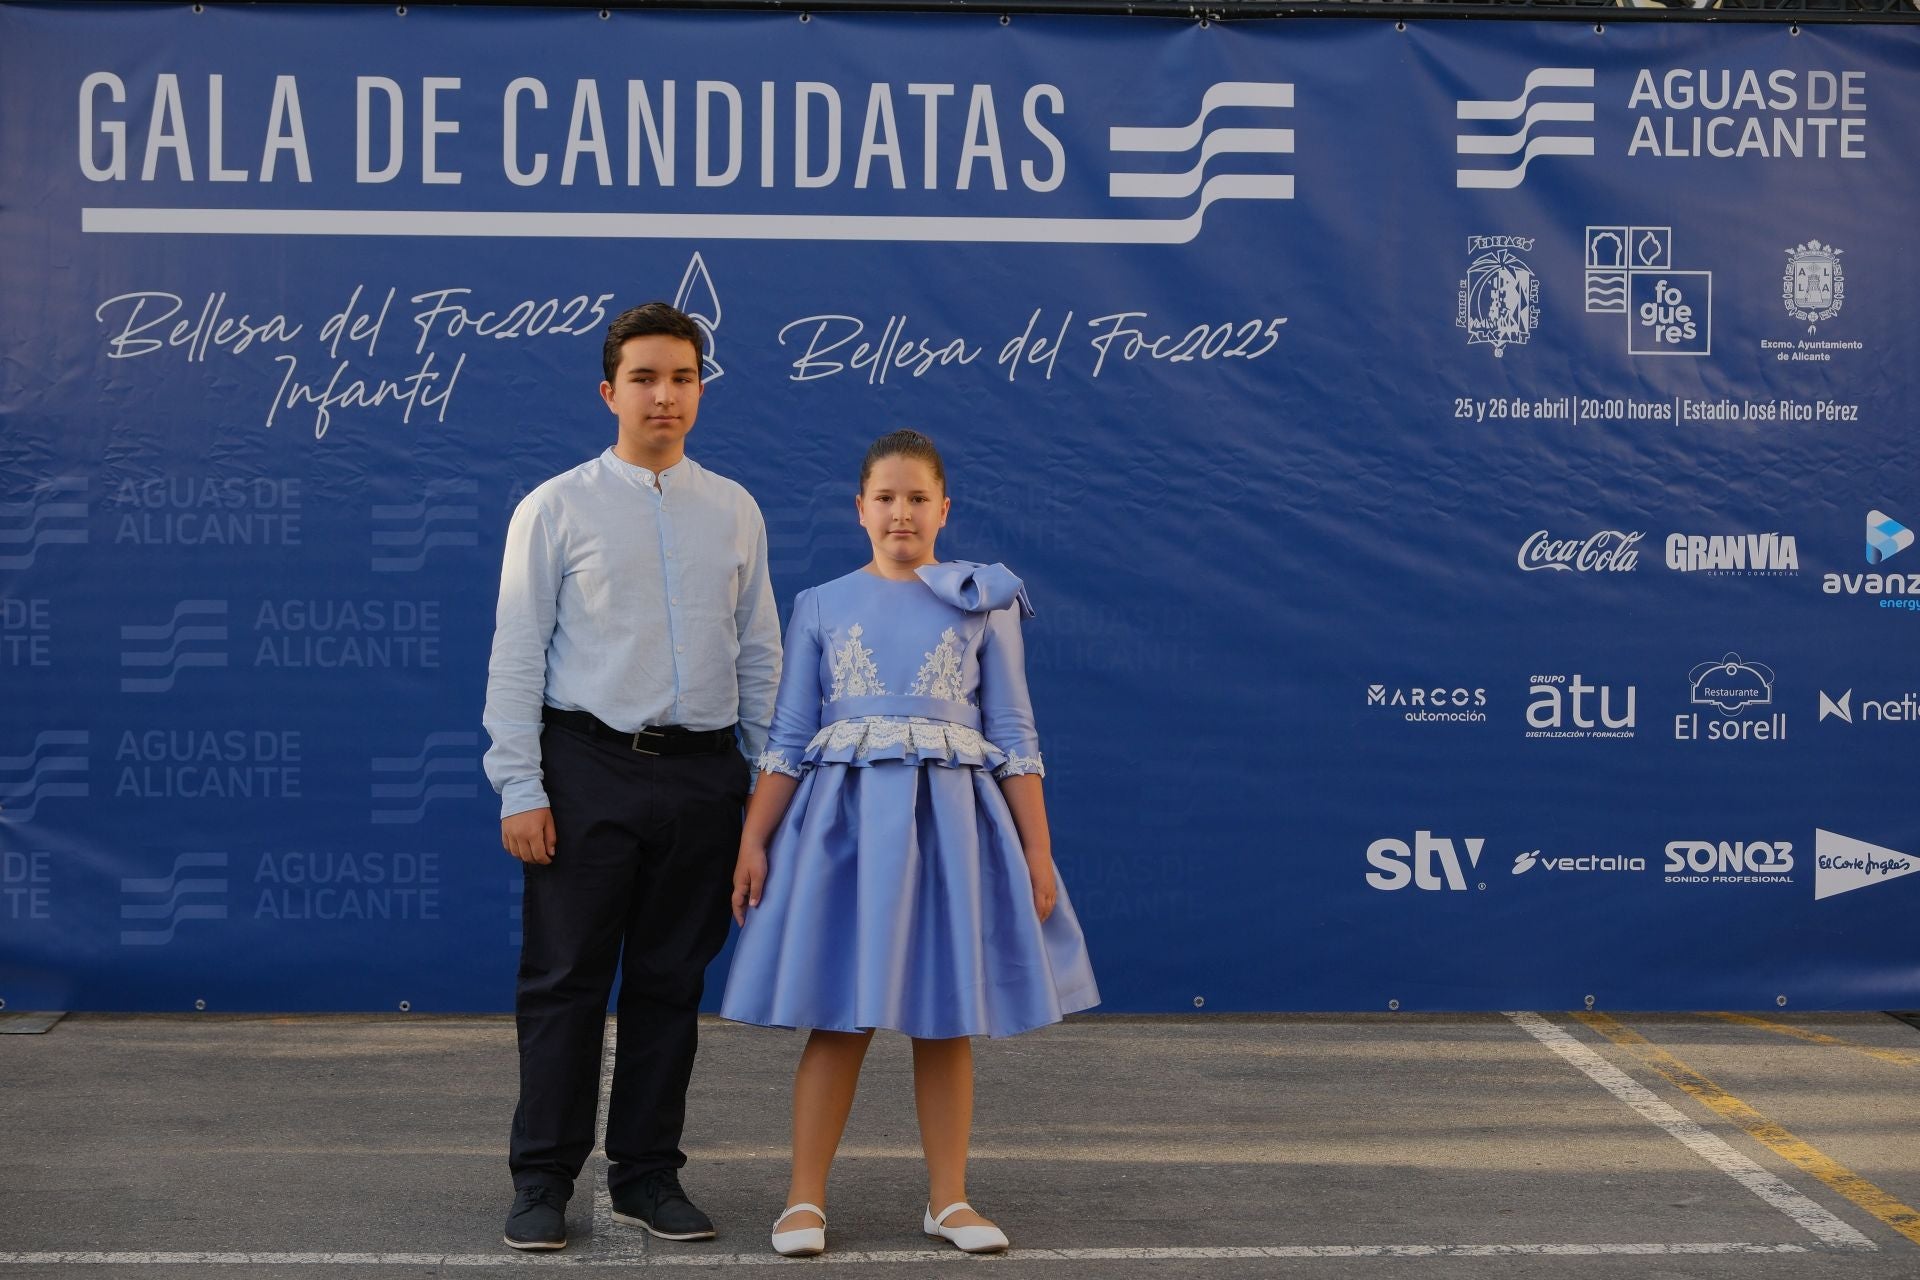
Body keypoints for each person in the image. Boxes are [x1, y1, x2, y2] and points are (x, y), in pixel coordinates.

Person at [719, 428, 1099, 1258]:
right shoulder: (820, 603)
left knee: (945, 1015)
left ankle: (949, 1200)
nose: (902, 513)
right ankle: (803, 1199)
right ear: (859, 509)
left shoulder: (985, 601)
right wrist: (754, 840)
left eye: (918, 498)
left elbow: (1015, 735)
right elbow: (787, 739)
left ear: (944, 508)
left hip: (951, 832)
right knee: (839, 1015)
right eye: (886, 498)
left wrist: (1038, 853)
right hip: (844, 835)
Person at [482, 302, 781, 1252]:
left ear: (701, 390)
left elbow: (760, 656)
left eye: (683, 378)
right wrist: (520, 786)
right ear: (609, 392)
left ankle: (649, 1176)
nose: (665, 396)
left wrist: (770, 791)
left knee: (669, 984)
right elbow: (517, 653)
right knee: (564, 982)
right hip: (587, 769)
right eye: (645, 378)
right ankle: (542, 1181)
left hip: (704, 778)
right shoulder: (555, 507)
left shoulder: (734, 509)